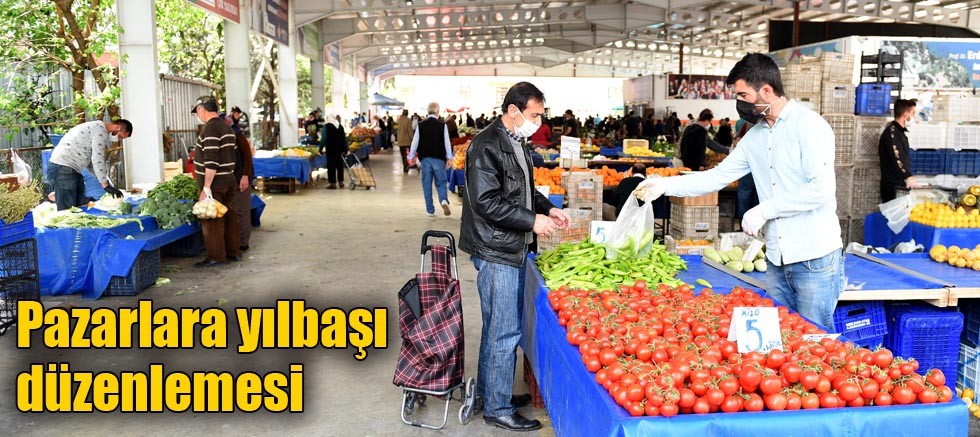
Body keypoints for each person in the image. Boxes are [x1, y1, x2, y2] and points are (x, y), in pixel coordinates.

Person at [634, 53, 843, 330]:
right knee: (781, 334)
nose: (739, 103)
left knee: (816, 337)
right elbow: (718, 176)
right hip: (776, 258)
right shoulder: (755, 137)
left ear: (766, 90)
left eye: (743, 95)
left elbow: (821, 190)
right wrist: (666, 185)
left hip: (813, 256)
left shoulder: (809, 126)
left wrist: (765, 210)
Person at [459, 81, 570, 431]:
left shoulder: (516, 142)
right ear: (513, 110)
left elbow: (525, 190)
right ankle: (497, 407)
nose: (539, 122)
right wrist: (531, 221)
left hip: (512, 246)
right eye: (534, 115)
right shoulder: (486, 145)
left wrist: (548, 209)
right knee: (504, 331)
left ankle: (492, 391)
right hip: (496, 250)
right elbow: (486, 202)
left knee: (500, 326)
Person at [191, 95, 241, 267]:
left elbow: (211, 160)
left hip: (215, 183)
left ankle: (216, 256)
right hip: (228, 179)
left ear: (201, 109)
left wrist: (206, 188)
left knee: (211, 219)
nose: (198, 115)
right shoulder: (226, 127)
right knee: (229, 217)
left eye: (197, 112)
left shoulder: (210, 129)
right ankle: (233, 252)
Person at [45, 118, 132, 210]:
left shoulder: (95, 127)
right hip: (63, 168)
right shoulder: (100, 131)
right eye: (120, 137)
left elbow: (90, 163)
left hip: (70, 168)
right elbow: (97, 159)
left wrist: (103, 182)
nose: (118, 139)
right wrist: (105, 185)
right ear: (118, 128)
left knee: (77, 206)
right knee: (67, 209)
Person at [407, 102, 453, 217]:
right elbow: (447, 143)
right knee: (441, 182)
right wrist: (449, 157)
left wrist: (411, 156)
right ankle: (443, 200)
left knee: (426, 183)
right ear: (437, 112)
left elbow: (415, 142)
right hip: (439, 158)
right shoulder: (442, 125)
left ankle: (430, 210)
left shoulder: (421, 125)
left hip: (425, 159)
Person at [224, 113, 255, 252]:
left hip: (241, 178)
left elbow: (247, 156)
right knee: (234, 211)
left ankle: (243, 242)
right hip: (231, 178)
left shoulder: (237, 135)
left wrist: (245, 176)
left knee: (242, 210)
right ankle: (234, 241)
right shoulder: (225, 136)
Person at [878, 99, 918, 202]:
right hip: (892, 186)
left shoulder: (900, 133)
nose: (915, 117)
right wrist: (908, 176)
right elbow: (897, 157)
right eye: (913, 113)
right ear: (905, 114)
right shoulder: (892, 133)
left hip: (900, 184)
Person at [320, 113, 348, 189]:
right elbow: (344, 138)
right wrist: (346, 148)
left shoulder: (327, 127)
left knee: (331, 166)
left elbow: (323, 138)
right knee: (340, 165)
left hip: (331, 149)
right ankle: (341, 182)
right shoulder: (340, 126)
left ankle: (333, 183)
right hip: (340, 149)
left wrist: (320, 148)